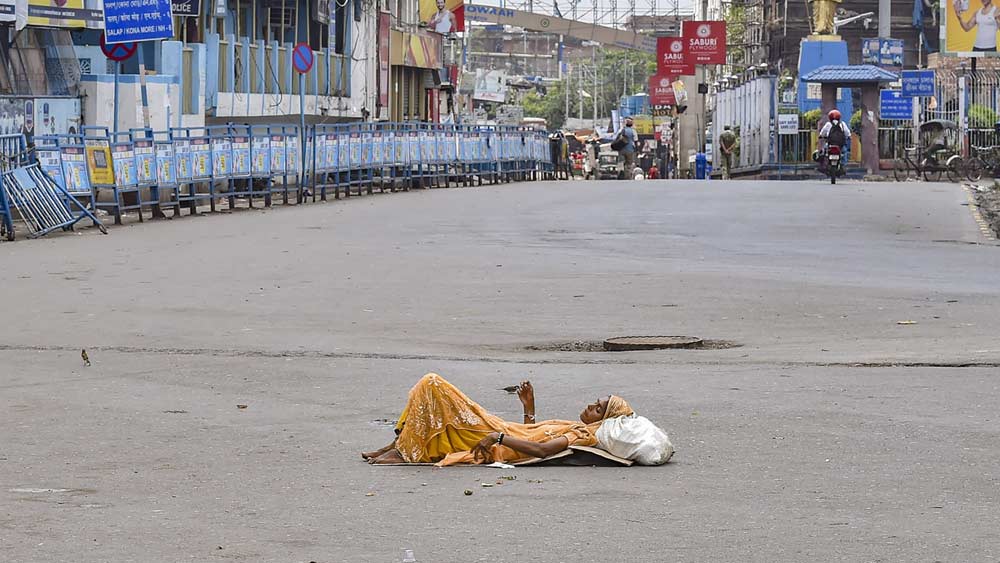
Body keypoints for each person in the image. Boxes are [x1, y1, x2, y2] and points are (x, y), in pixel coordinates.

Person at [361, 373, 673, 466]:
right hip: (498, 429)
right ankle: (398, 445)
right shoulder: (578, 427)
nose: (590, 405)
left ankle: (402, 449)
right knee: (431, 388)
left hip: (493, 434)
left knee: (432, 385)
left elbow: (539, 451)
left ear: (603, 421)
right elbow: (533, 435)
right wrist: (529, 408)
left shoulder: (583, 436)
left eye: (597, 407)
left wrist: (496, 438)